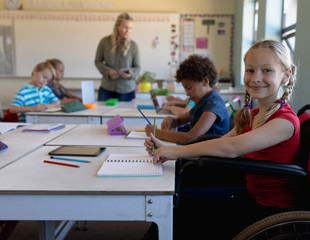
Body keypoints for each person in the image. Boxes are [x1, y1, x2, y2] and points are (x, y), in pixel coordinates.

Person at [145, 40, 299, 239]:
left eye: (267, 70)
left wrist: (175, 152)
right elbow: (219, 142)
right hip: (249, 191)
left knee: (179, 208)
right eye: (250, 70)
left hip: (268, 209)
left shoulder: (285, 122)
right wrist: (166, 147)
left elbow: (230, 148)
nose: (255, 78)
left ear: (286, 76)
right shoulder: (254, 114)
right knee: (178, 200)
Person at [144, 54, 229, 145]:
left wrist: (156, 133)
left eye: (189, 88)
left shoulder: (214, 105)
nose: (187, 94)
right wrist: (172, 120)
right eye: (185, 89)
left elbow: (191, 138)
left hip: (208, 157)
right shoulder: (203, 101)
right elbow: (180, 120)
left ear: (205, 81)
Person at [95, 12, 140, 101]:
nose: (128, 31)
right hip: (106, 88)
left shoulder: (133, 46)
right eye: (125, 27)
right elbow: (98, 61)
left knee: (123, 115)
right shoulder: (104, 42)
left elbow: (138, 67)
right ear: (117, 26)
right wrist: (108, 71)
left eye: (130, 28)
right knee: (103, 114)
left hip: (126, 89)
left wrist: (131, 75)